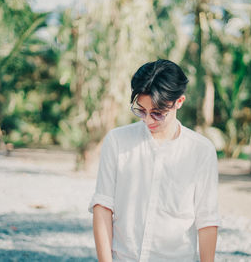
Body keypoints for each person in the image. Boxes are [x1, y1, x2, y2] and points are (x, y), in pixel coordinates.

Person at [89, 59, 220, 262]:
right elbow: (103, 207)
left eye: (158, 114)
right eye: (141, 110)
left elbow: (207, 221)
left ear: (179, 102)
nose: (148, 120)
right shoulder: (117, 141)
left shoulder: (201, 151)